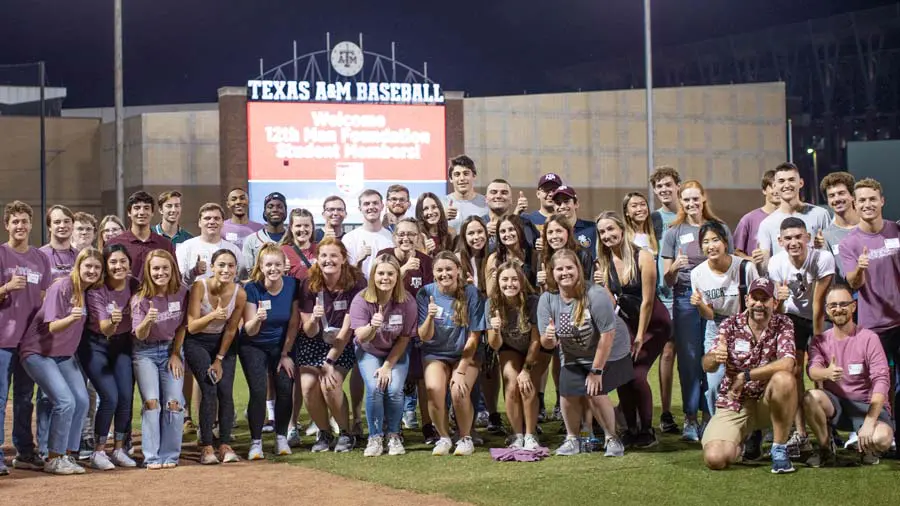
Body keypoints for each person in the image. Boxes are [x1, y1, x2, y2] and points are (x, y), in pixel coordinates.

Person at [538, 248, 632, 457]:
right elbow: (546, 343)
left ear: (579, 270)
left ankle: (612, 438)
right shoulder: (547, 300)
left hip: (612, 348)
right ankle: (572, 439)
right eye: (559, 269)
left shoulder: (595, 294)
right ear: (552, 272)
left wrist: (596, 370)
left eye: (569, 268)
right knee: (567, 389)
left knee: (594, 390)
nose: (565, 273)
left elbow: (608, 334)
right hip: (575, 352)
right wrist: (549, 336)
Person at [700, 278, 798, 474]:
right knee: (715, 459)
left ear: (775, 303)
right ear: (747, 300)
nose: (759, 304)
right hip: (735, 402)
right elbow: (707, 366)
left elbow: (788, 363)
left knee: (785, 379)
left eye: (765, 299)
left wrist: (745, 376)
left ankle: (779, 448)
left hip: (767, 402)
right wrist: (714, 357)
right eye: (755, 298)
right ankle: (745, 439)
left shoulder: (784, 323)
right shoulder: (730, 324)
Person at [19, 247, 103, 475]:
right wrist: (70, 318)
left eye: (96, 267)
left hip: (63, 354)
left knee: (82, 401)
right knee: (65, 401)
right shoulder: (62, 286)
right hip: (38, 353)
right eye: (88, 266)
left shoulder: (88, 291)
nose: (92, 270)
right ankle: (53, 457)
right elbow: (52, 326)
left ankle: (67, 454)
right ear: (78, 266)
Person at [661, 180, 734, 440]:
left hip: (717, 301)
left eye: (695, 198)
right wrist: (674, 268)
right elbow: (666, 282)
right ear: (681, 202)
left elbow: (732, 265)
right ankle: (690, 418)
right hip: (685, 302)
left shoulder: (720, 228)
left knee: (715, 357)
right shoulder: (673, 232)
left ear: (704, 198)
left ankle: (711, 415)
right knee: (690, 361)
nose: (691, 204)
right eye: (686, 200)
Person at [595, 212, 672, 447]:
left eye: (611, 229)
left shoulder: (643, 256)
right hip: (626, 322)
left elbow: (648, 301)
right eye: (602, 232)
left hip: (653, 322)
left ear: (621, 229)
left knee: (636, 375)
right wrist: (602, 286)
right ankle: (630, 428)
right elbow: (613, 302)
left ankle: (646, 430)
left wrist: (639, 336)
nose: (607, 235)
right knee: (622, 375)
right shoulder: (604, 261)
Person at [838, 177, 900, 447]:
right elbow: (852, 282)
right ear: (855, 202)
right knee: (879, 383)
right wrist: (861, 268)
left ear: (882, 201)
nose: (867, 204)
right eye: (861, 200)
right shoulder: (850, 243)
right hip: (873, 326)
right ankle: (884, 433)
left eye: (872, 199)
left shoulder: (896, 231)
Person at [805, 284, 894, 467]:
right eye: (833, 305)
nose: (838, 309)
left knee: (883, 439)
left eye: (843, 304)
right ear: (827, 310)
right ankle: (825, 449)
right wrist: (826, 373)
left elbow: (882, 381)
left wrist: (870, 421)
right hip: (837, 406)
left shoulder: (869, 338)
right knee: (810, 397)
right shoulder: (819, 341)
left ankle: (867, 448)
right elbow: (812, 371)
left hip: (867, 407)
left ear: (853, 306)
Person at [767, 217, 835, 456]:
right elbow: (778, 310)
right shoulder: (776, 263)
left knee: (820, 370)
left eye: (798, 237)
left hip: (821, 316)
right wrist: (781, 300)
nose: (794, 242)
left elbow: (817, 305)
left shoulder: (822, 258)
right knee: (793, 372)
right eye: (788, 238)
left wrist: (818, 344)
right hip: (793, 318)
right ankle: (801, 432)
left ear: (807, 237)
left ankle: (828, 427)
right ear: (780, 241)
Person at [689, 221, 760, 438]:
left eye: (715, 240)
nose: (711, 246)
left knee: (749, 381)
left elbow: (758, 302)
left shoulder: (744, 267)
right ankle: (723, 430)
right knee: (714, 383)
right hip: (717, 327)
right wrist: (700, 305)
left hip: (746, 326)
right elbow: (709, 315)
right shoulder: (698, 274)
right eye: (706, 242)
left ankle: (755, 432)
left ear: (725, 242)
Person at [297, 237, 366, 453]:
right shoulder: (309, 284)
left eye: (334, 255)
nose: (329, 260)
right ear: (317, 259)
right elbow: (308, 331)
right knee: (308, 386)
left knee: (330, 383)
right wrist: (314, 319)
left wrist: (330, 360)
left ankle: (345, 432)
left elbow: (347, 330)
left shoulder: (356, 282)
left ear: (344, 258)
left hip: (342, 344)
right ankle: (324, 432)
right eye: (324, 256)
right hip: (314, 342)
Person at [0, 201, 52, 475]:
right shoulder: (1, 254)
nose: (20, 226)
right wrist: (6, 287)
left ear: (31, 225)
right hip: (2, 341)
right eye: (15, 222)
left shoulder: (40, 258)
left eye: (24, 221)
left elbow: (44, 297)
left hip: (29, 342)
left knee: (24, 398)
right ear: (7, 225)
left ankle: (24, 451)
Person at [416, 251, 486, 456]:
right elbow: (424, 337)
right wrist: (429, 317)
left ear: (458, 271)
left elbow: (474, 336)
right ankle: (444, 437)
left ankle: (465, 437)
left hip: (465, 353)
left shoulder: (470, 292)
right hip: (435, 352)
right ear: (433, 272)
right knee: (434, 388)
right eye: (439, 270)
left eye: (449, 269)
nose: (444, 273)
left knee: (458, 389)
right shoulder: (425, 293)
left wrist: (461, 370)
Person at [77, 244, 137, 470]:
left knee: (125, 397)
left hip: (122, 345)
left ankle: (119, 448)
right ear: (105, 265)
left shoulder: (134, 284)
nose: (118, 266)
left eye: (123, 261)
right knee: (109, 397)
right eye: (113, 262)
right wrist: (113, 320)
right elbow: (104, 328)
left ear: (129, 264)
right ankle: (98, 450)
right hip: (96, 344)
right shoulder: (96, 291)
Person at [185, 249, 246, 465]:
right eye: (221, 265)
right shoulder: (199, 286)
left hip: (223, 344)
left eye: (230, 266)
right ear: (212, 267)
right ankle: (207, 446)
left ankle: (225, 444)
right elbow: (191, 327)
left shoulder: (239, 293)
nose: (226, 270)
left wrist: (219, 359)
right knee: (209, 388)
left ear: (236, 269)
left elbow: (231, 329)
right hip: (197, 341)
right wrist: (212, 315)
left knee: (225, 391)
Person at [350, 255, 416, 456]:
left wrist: (388, 365)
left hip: (396, 351)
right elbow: (360, 336)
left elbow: (405, 338)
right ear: (373, 275)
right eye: (380, 273)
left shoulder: (407, 301)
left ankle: (393, 435)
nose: (385, 278)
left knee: (395, 389)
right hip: (369, 350)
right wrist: (373, 326)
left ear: (398, 276)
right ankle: (375, 437)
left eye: (390, 273)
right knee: (375, 387)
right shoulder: (361, 300)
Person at [240, 243, 301, 459]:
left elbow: (294, 323)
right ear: (261, 266)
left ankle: (281, 437)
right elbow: (248, 329)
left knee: (285, 387)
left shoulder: (293, 284)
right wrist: (257, 318)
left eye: (277, 264)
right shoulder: (252, 289)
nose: (273, 269)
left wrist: (285, 354)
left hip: (281, 346)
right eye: (268, 265)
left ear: (285, 266)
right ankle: (255, 442)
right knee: (258, 390)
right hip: (253, 345)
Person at [130, 249, 188, 470]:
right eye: (155, 268)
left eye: (165, 267)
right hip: (144, 352)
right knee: (152, 402)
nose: (160, 272)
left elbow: (183, 325)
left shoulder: (181, 292)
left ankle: (170, 455)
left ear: (172, 269)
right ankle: (151, 457)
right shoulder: (140, 298)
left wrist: (175, 353)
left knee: (174, 403)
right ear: (148, 271)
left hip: (170, 351)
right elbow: (140, 334)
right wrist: (147, 320)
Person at [378, 218, 434, 436]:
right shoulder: (384, 255)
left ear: (418, 237)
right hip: (389, 329)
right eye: (401, 234)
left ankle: (428, 426)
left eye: (411, 234)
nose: (406, 238)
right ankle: (393, 426)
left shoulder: (425, 261)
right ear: (394, 237)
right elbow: (379, 290)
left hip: (416, 328)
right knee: (393, 378)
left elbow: (428, 294)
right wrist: (402, 270)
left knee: (421, 377)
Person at [535, 213, 592, 422]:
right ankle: (540, 404)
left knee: (567, 359)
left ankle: (571, 408)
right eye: (550, 232)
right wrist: (541, 282)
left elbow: (585, 287)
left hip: (575, 313)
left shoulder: (582, 255)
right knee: (543, 357)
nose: (554, 235)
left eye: (559, 230)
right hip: (549, 313)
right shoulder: (541, 256)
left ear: (568, 233)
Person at [486, 261, 549, 450]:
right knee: (512, 384)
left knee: (527, 384)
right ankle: (516, 434)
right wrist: (496, 330)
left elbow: (536, 340)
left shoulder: (533, 302)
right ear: (498, 282)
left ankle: (531, 434)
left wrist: (527, 369)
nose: (509, 284)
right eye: (504, 280)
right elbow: (494, 344)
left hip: (536, 348)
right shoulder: (492, 303)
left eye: (514, 279)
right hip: (509, 347)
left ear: (521, 281)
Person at [649, 166, 681, 434]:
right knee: (668, 352)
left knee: (695, 354)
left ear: (677, 185)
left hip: (692, 294)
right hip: (665, 295)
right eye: (659, 186)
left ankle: (701, 410)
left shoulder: (691, 214)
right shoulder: (654, 219)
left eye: (668, 184)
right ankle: (667, 412)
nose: (664, 190)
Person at [755, 162, 831, 269]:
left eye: (791, 180)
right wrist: (759, 262)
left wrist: (823, 246)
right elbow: (765, 267)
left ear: (801, 183)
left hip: (817, 281)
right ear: (775, 186)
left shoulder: (820, 214)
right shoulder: (766, 224)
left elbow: (832, 254)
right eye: (781, 181)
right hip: (783, 284)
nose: (787, 185)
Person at [108, 191, 177, 281]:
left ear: (152, 213)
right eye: (137, 208)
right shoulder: (114, 243)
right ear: (129, 213)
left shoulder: (165, 245)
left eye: (146, 208)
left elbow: (175, 277)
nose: (142, 212)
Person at [176, 203, 244, 286]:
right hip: (194, 297)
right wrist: (194, 272)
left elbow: (241, 279)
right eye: (207, 218)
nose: (212, 222)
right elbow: (178, 281)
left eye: (216, 218)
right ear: (199, 223)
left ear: (222, 222)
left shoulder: (233, 249)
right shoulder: (185, 247)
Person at [344, 190, 395, 278]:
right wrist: (358, 260)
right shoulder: (349, 238)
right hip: (358, 290)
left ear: (382, 206)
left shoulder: (392, 237)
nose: (371, 207)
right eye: (366, 204)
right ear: (360, 208)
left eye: (375, 203)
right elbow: (345, 274)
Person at [820, 172, 860, 280]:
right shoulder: (826, 236)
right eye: (831, 196)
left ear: (852, 196)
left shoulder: (868, 226)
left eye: (841, 193)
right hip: (847, 295)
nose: (837, 199)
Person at [734, 169, 780, 258]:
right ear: (764, 190)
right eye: (773, 186)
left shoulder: (790, 218)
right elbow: (736, 252)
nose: (777, 191)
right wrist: (752, 261)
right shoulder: (748, 219)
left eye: (779, 186)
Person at [486, 215, 534, 295]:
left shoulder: (534, 256)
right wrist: (495, 281)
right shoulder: (494, 259)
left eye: (511, 229)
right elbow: (490, 294)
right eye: (503, 231)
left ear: (519, 230)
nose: (507, 234)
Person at [242, 192, 288, 271]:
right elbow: (247, 272)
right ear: (265, 212)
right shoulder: (251, 240)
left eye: (279, 206)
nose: (275, 210)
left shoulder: (294, 238)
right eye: (270, 207)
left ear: (285, 211)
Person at [442, 154, 488, 233]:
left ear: (474, 176)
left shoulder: (486, 203)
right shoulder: (441, 204)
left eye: (466, 174)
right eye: (457, 174)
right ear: (450, 178)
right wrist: (441, 218)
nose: (462, 178)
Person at [550, 186, 596, 258]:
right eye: (558, 203)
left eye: (566, 201)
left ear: (576, 204)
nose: (562, 206)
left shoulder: (593, 229)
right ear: (553, 207)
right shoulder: (551, 234)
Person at [40, 205, 78, 281]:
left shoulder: (79, 256)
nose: (62, 225)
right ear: (49, 227)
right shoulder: (39, 256)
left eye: (66, 221)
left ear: (73, 225)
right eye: (57, 222)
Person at [281, 208, 317, 281]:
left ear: (312, 227)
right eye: (298, 226)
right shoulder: (281, 251)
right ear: (291, 228)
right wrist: (280, 271)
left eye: (306, 225)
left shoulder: (321, 249)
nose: (302, 229)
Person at [222, 187, 264, 251]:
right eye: (234, 199)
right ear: (228, 204)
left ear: (248, 202)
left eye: (242, 198)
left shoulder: (260, 228)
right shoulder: (221, 227)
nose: (238, 202)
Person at [455, 216, 489, 293]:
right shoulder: (457, 259)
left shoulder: (492, 257)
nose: (476, 237)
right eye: (471, 233)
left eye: (480, 232)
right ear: (464, 237)